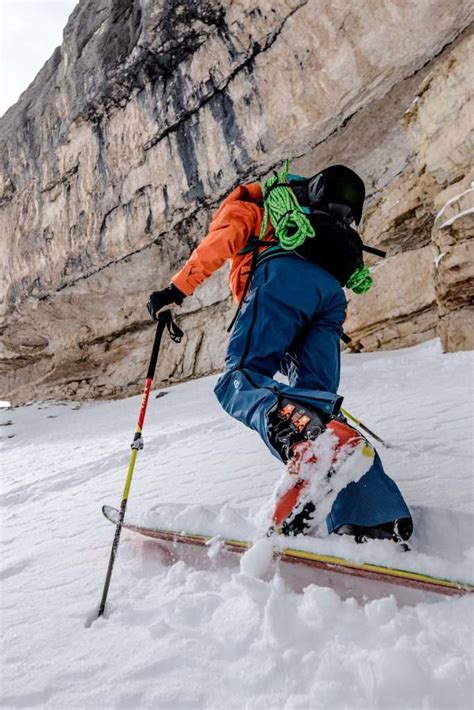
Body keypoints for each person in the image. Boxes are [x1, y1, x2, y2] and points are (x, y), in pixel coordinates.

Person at [147, 163, 412, 543]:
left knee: (241, 379)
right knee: (319, 407)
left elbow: (221, 242)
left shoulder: (253, 204)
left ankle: (309, 444)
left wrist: (175, 291)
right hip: (330, 300)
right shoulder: (319, 220)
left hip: (280, 282)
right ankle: (375, 516)